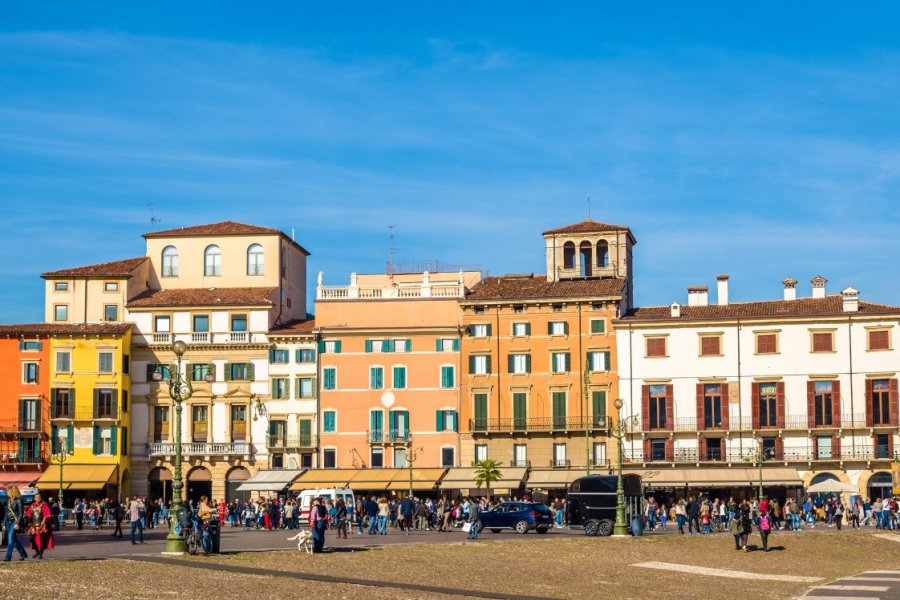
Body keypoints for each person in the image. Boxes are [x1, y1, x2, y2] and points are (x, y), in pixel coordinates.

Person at [3, 486, 27, 561]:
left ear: (12, 492)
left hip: (14, 521)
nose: (7, 493)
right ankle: (23, 554)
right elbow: (6, 513)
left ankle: (8, 557)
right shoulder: (8, 500)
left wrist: (18, 523)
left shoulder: (19, 500)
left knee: (10, 540)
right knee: (14, 540)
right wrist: (4, 524)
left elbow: (21, 513)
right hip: (7, 521)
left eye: (8, 492)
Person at [26, 493, 54, 559]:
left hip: (42, 525)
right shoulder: (32, 505)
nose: (38, 498)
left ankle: (40, 554)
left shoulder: (44, 505)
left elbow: (46, 514)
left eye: (39, 497)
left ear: (41, 498)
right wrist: (26, 516)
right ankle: (37, 551)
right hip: (34, 525)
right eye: (37, 497)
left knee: (42, 539)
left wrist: (43, 522)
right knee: (31, 538)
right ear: (34, 498)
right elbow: (29, 514)